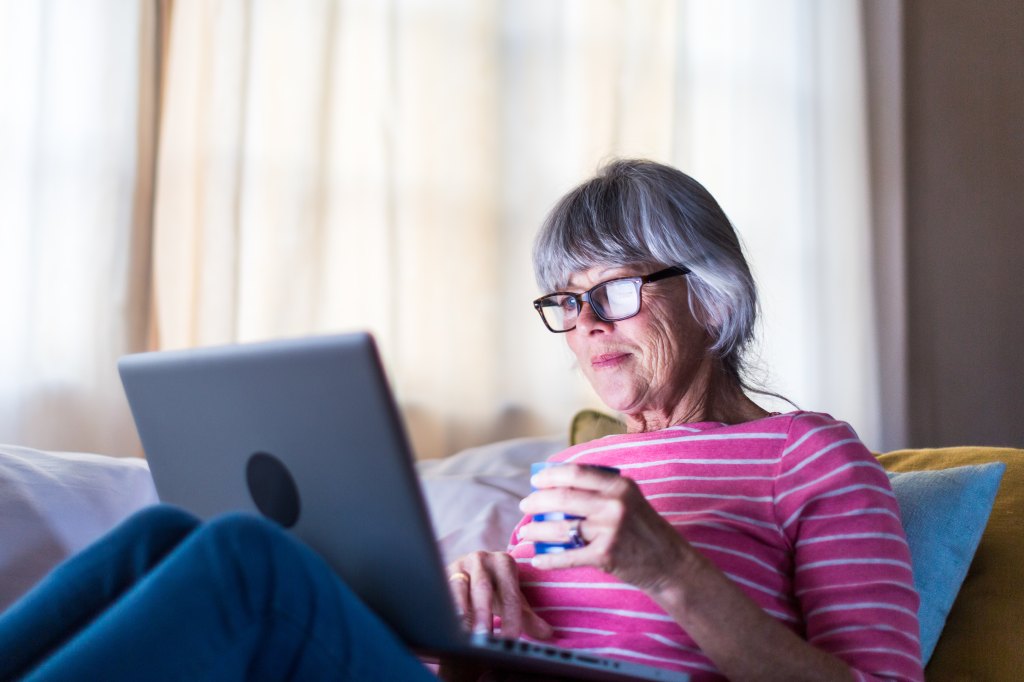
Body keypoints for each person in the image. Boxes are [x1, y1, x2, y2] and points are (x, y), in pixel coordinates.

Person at [0, 159, 923, 682]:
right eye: (566, 300)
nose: (588, 324)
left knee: (246, 560)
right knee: (162, 537)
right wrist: (482, 625)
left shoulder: (809, 456)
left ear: (713, 297)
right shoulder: (573, 476)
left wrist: (674, 572)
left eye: (616, 290)